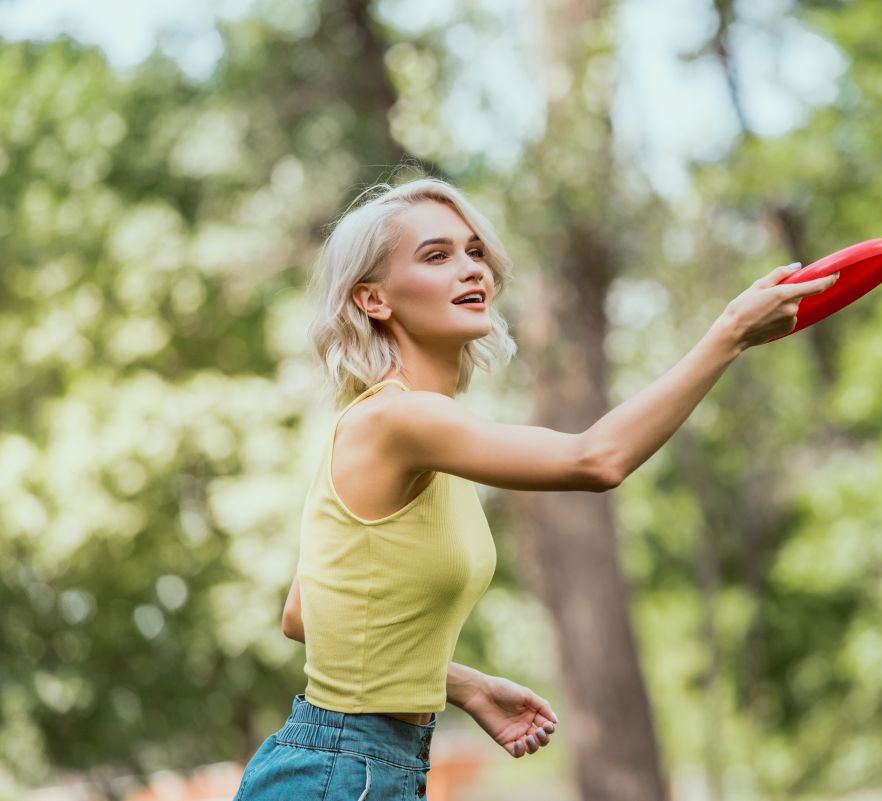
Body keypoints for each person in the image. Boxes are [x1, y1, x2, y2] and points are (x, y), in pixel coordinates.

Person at [231, 176, 838, 801]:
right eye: (436, 256)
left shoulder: (408, 425)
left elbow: (306, 615)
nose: (471, 269)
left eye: (474, 251)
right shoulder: (399, 419)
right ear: (373, 299)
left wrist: (463, 685)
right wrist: (729, 334)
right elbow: (596, 459)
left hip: (356, 765)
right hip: (342, 773)